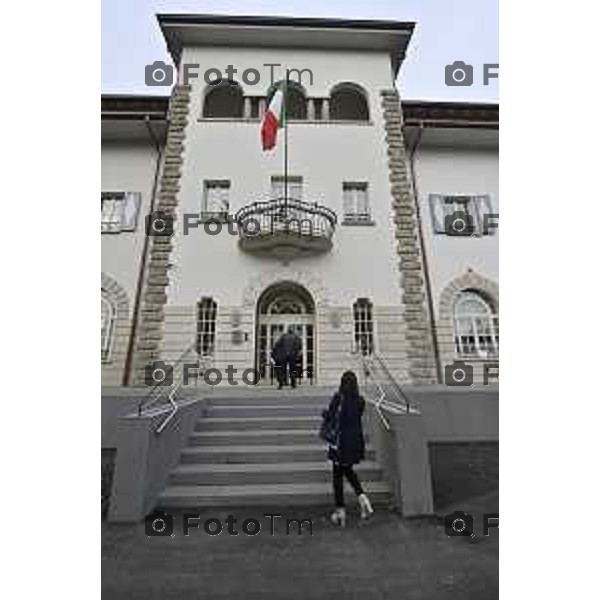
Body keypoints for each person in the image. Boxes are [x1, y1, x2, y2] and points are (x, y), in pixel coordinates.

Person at [323, 370, 373, 526]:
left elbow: (331, 416)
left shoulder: (338, 398)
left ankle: (340, 511)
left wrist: (324, 414)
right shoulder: (360, 401)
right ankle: (363, 499)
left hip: (339, 442)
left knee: (337, 475)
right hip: (354, 443)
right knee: (348, 471)